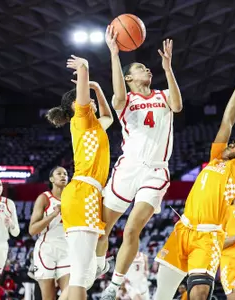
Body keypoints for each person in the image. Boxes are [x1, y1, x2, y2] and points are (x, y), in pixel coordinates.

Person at [153, 67, 235, 300]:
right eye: (234, 144)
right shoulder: (216, 158)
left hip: (209, 236)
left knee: (200, 293)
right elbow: (228, 120)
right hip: (183, 230)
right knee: (162, 294)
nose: (234, 144)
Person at [99, 25, 183, 299]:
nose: (148, 70)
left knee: (132, 228)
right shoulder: (125, 100)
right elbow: (119, 94)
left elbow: (179, 106)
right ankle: (97, 266)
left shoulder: (162, 96)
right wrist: (114, 53)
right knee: (103, 228)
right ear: (128, 77)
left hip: (155, 172)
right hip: (127, 168)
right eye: (141, 68)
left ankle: (114, 286)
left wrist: (168, 68)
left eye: (148, 68)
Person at [46, 54, 114, 300]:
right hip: (83, 193)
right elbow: (83, 93)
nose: (91, 101)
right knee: (79, 276)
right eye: (87, 97)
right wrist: (84, 68)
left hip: (88, 193)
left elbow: (109, 117)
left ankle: (100, 263)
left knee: (83, 276)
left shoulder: (94, 125)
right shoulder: (81, 119)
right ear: (76, 104)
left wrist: (96, 87)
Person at [29, 166, 70, 299]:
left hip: (67, 249)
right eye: (59, 174)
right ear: (51, 179)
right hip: (47, 249)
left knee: (70, 294)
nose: (63, 176)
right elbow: (32, 230)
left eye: (65, 174)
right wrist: (53, 214)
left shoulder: (73, 200)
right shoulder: (44, 198)